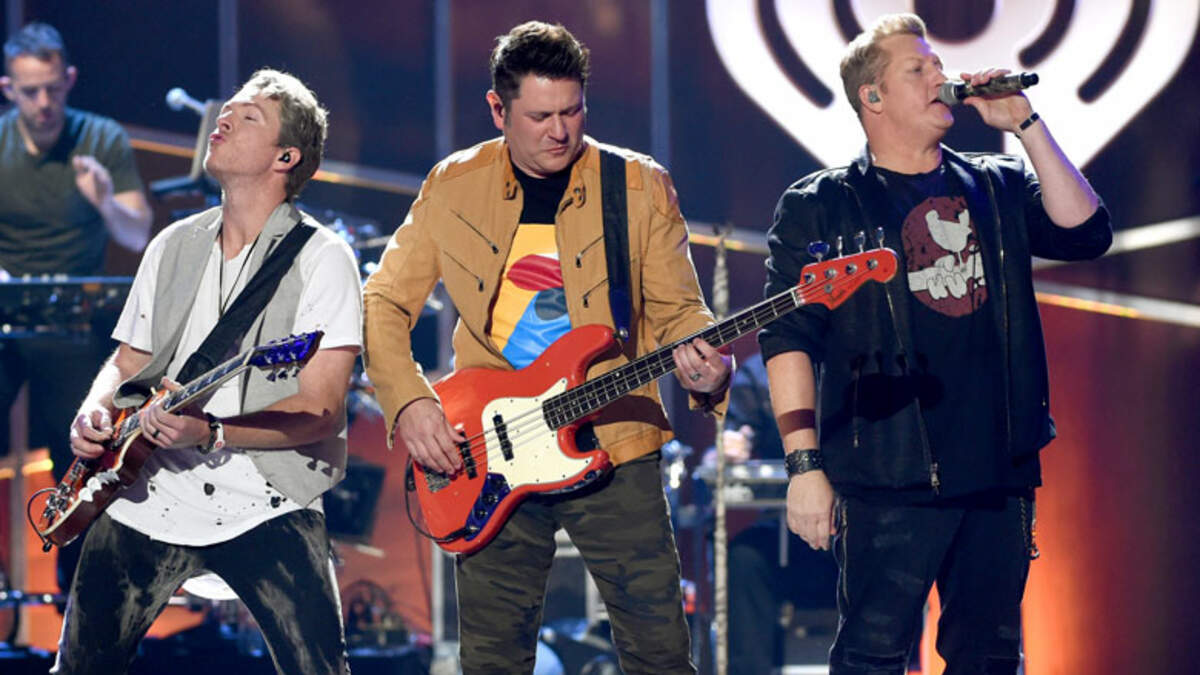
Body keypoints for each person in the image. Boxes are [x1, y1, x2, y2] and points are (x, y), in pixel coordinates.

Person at [363, 21, 730, 674]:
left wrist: (708, 372)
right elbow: (384, 302)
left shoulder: (637, 184)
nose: (560, 131)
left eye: (572, 111)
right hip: (488, 449)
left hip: (615, 441)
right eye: (540, 116)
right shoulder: (453, 185)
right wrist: (411, 403)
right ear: (497, 109)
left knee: (660, 656)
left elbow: (680, 313)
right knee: (493, 662)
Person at [758, 13, 1112, 674]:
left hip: (996, 470)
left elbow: (1085, 232)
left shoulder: (996, 185)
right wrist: (803, 466)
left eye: (938, 65)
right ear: (873, 96)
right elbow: (787, 338)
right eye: (917, 68)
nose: (940, 77)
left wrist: (1027, 125)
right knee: (873, 656)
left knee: (990, 657)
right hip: (885, 474)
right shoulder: (822, 205)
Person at [54, 68, 361, 674]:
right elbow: (127, 361)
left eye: (248, 117)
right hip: (146, 489)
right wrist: (92, 410)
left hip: (267, 499)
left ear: (286, 157)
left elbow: (321, 411)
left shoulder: (324, 258)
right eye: (227, 111)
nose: (223, 119)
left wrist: (212, 432)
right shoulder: (170, 244)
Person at [0, 22, 152, 594]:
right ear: (8, 89)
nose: (43, 103)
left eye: (52, 88)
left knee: (82, 452)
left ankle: (79, 600)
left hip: (72, 325)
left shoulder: (99, 137)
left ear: (68, 80)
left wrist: (106, 201)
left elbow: (137, 233)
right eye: (29, 91)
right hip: (6, 316)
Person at [718, 355, 837, 675]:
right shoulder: (760, 371)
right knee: (745, 557)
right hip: (788, 528)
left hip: (858, 528)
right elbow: (734, 434)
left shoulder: (861, 354)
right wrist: (732, 444)